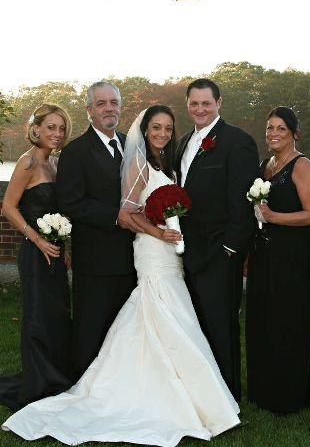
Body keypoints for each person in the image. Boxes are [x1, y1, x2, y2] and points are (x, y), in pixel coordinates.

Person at [2, 105, 240, 446]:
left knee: (171, 314)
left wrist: (169, 225)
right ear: (145, 130)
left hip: (167, 252)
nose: (162, 133)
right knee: (158, 311)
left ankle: (184, 387)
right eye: (155, 127)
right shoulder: (137, 164)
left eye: (168, 128)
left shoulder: (165, 163)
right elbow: (126, 213)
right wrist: (159, 233)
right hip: (151, 250)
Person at [175, 78, 259, 401]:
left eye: (206, 103)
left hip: (220, 253)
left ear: (219, 103)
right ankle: (202, 393)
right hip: (186, 251)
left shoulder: (237, 141)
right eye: (194, 104)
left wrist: (230, 248)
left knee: (221, 326)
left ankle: (227, 396)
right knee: (195, 325)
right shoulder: (183, 142)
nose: (200, 109)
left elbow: (243, 201)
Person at [55, 81, 138, 383]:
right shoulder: (75, 152)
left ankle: (116, 384)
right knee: (91, 328)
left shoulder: (132, 145)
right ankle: (84, 385)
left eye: (113, 102)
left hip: (133, 258)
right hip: (95, 259)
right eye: (101, 103)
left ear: (120, 107)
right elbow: (71, 202)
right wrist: (115, 217)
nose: (108, 108)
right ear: (89, 110)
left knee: (125, 328)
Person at [245, 106, 310, 414]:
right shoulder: (265, 166)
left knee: (287, 322)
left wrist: (274, 217)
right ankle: (263, 389)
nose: (273, 133)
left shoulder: (301, 166)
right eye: (270, 127)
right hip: (263, 255)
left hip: (291, 257)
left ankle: (288, 395)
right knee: (263, 321)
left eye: (280, 128)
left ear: (294, 133)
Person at [0, 104, 72, 410]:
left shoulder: (54, 163)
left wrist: (63, 247)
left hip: (55, 252)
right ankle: (39, 381)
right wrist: (37, 239)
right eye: (51, 127)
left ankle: (55, 375)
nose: (57, 133)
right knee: (38, 317)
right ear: (36, 128)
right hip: (34, 252)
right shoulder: (28, 162)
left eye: (61, 128)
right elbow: (8, 207)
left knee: (57, 315)